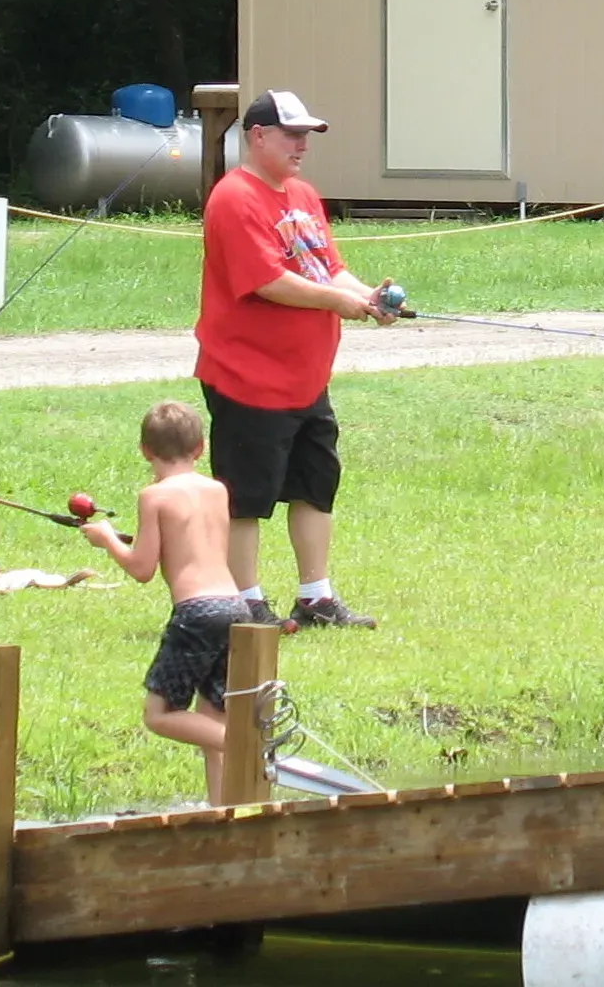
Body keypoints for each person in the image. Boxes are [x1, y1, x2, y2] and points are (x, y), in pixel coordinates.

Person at [194, 89, 396, 630]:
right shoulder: (234, 198)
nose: (302, 145)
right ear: (257, 136)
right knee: (246, 497)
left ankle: (316, 599)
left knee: (315, 485)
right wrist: (338, 302)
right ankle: (245, 605)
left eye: (307, 135)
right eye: (292, 134)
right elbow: (268, 281)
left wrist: (368, 297)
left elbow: (329, 268)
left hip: (306, 378)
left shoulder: (303, 195)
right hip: (247, 376)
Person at [80, 401, 250, 805]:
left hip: (197, 612)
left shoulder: (153, 496)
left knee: (160, 714)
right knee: (212, 718)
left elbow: (142, 568)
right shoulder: (217, 490)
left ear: (145, 450)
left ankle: (249, 745)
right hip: (235, 606)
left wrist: (107, 539)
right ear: (201, 447)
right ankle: (224, 811)